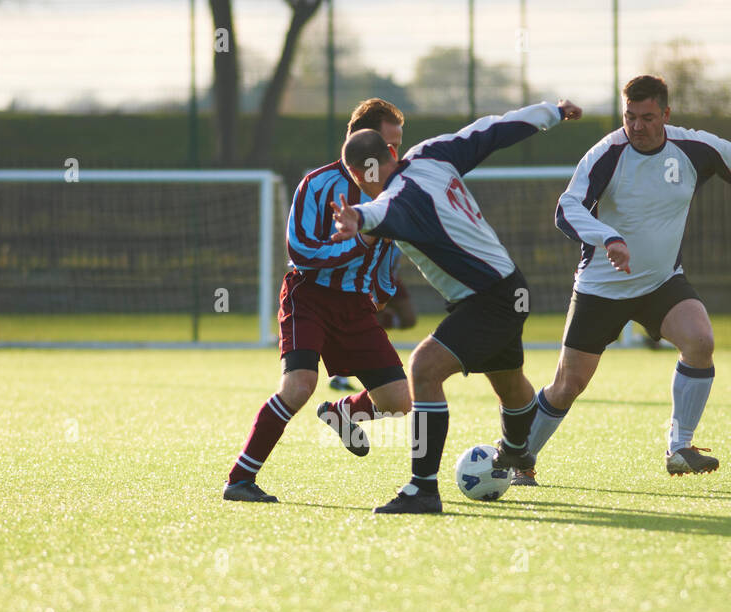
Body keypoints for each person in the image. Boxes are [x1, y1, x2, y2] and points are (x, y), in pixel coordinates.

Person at [514, 74, 731, 486]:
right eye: (629, 116)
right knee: (568, 385)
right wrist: (609, 238)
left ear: (666, 115)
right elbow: (566, 209)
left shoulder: (692, 148)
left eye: (647, 117)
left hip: (661, 283)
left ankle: (680, 448)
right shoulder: (608, 152)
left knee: (700, 341)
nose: (636, 126)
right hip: (601, 289)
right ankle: (518, 459)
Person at [331, 98, 584, 514]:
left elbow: (379, 212)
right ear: (392, 152)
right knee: (509, 382)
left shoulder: (397, 200)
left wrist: (355, 218)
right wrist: (552, 111)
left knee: (423, 369)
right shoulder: (432, 154)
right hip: (507, 289)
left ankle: (422, 489)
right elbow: (493, 129)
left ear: (358, 174)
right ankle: (518, 450)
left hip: (489, 300)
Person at [223, 99, 411, 502]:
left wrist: (380, 294)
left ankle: (344, 413)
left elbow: (391, 252)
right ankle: (240, 479)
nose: (397, 154)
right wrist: (359, 241)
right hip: (309, 298)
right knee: (298, 386)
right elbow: (302, 252)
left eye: (399, 145)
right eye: (390, 144)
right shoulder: (318, 184)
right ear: (362, 140)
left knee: (398, 402)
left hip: (357, 306)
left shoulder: (397, 191)